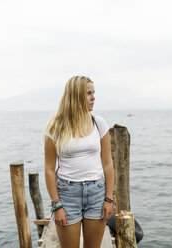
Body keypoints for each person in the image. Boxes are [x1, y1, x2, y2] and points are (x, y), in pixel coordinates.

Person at [43, 76, 114, 248]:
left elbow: (107, 163)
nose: (93, 97)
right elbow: (49, 169)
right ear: (75, 96)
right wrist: (56, 205)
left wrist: (109, 199)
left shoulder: (99, 124)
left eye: (93, 93)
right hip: (67, 195)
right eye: (88, 93)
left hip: (97, 193)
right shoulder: (55, 127)